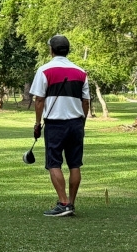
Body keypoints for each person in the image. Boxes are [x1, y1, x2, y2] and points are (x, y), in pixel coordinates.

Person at [29, 34, 90, 217]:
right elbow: (86, 102)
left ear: (51, 50)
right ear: (68, 50)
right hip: (76, 123)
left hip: (55, 124)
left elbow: (39, 100)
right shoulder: (81, 72)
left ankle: (63, 203)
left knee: (54, 163)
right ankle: (71, 203)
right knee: (74, 164)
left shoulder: (45, 70)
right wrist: (82, 122)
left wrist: (37, 123)